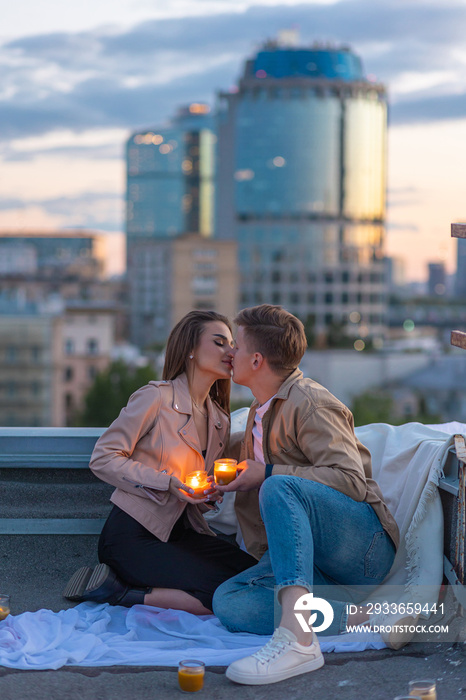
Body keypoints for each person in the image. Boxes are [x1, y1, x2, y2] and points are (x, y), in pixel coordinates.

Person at [213, 304, 399, 685]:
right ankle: (358, 616)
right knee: (229, 601)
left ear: (257, 359)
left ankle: (298, 639)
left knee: (278, 485)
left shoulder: (310, 402)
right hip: (315, 564)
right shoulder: (259, 409)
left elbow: (350, 480)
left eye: (237, 344)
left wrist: (265, 474)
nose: (230, 353)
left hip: (362, 552)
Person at [63, 310, 256, 614]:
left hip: (184, 533)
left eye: (232, 344)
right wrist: (167, 483)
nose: (231, 352)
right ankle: (118, 592)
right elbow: (103, 457)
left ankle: (130, 588)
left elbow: (196, 485)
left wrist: (205, 495)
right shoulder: (156, 397)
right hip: (133, 537)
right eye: (219, 343)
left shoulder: (219, 418)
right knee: (222, 590)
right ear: (190, 349)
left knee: (254, 574)